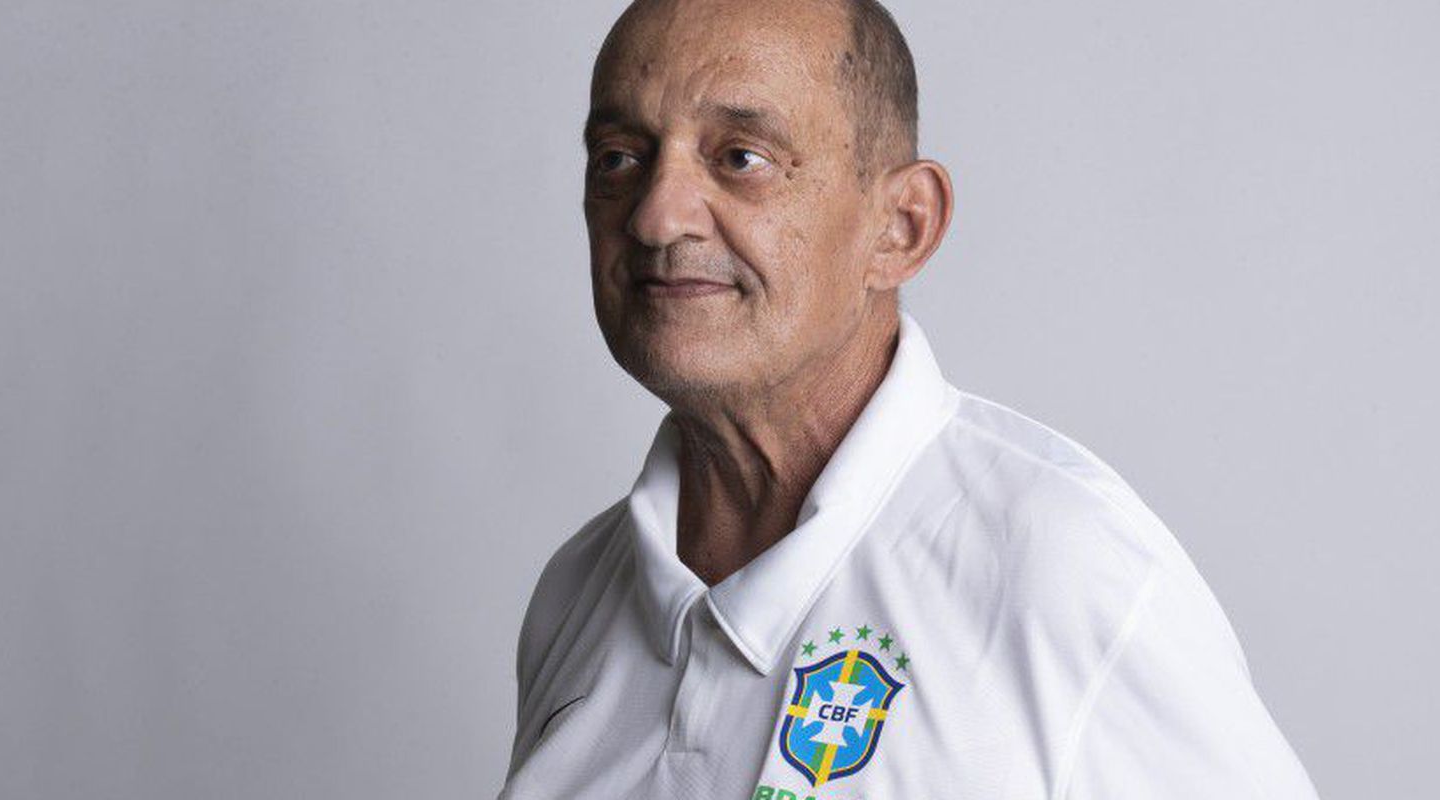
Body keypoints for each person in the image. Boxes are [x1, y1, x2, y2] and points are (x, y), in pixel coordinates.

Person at [498, 0, 1321, 797]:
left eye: (741, 158)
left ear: (902, 227)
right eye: (617, 158)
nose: (655, 216)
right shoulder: (577, 592)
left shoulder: (1065, 569)